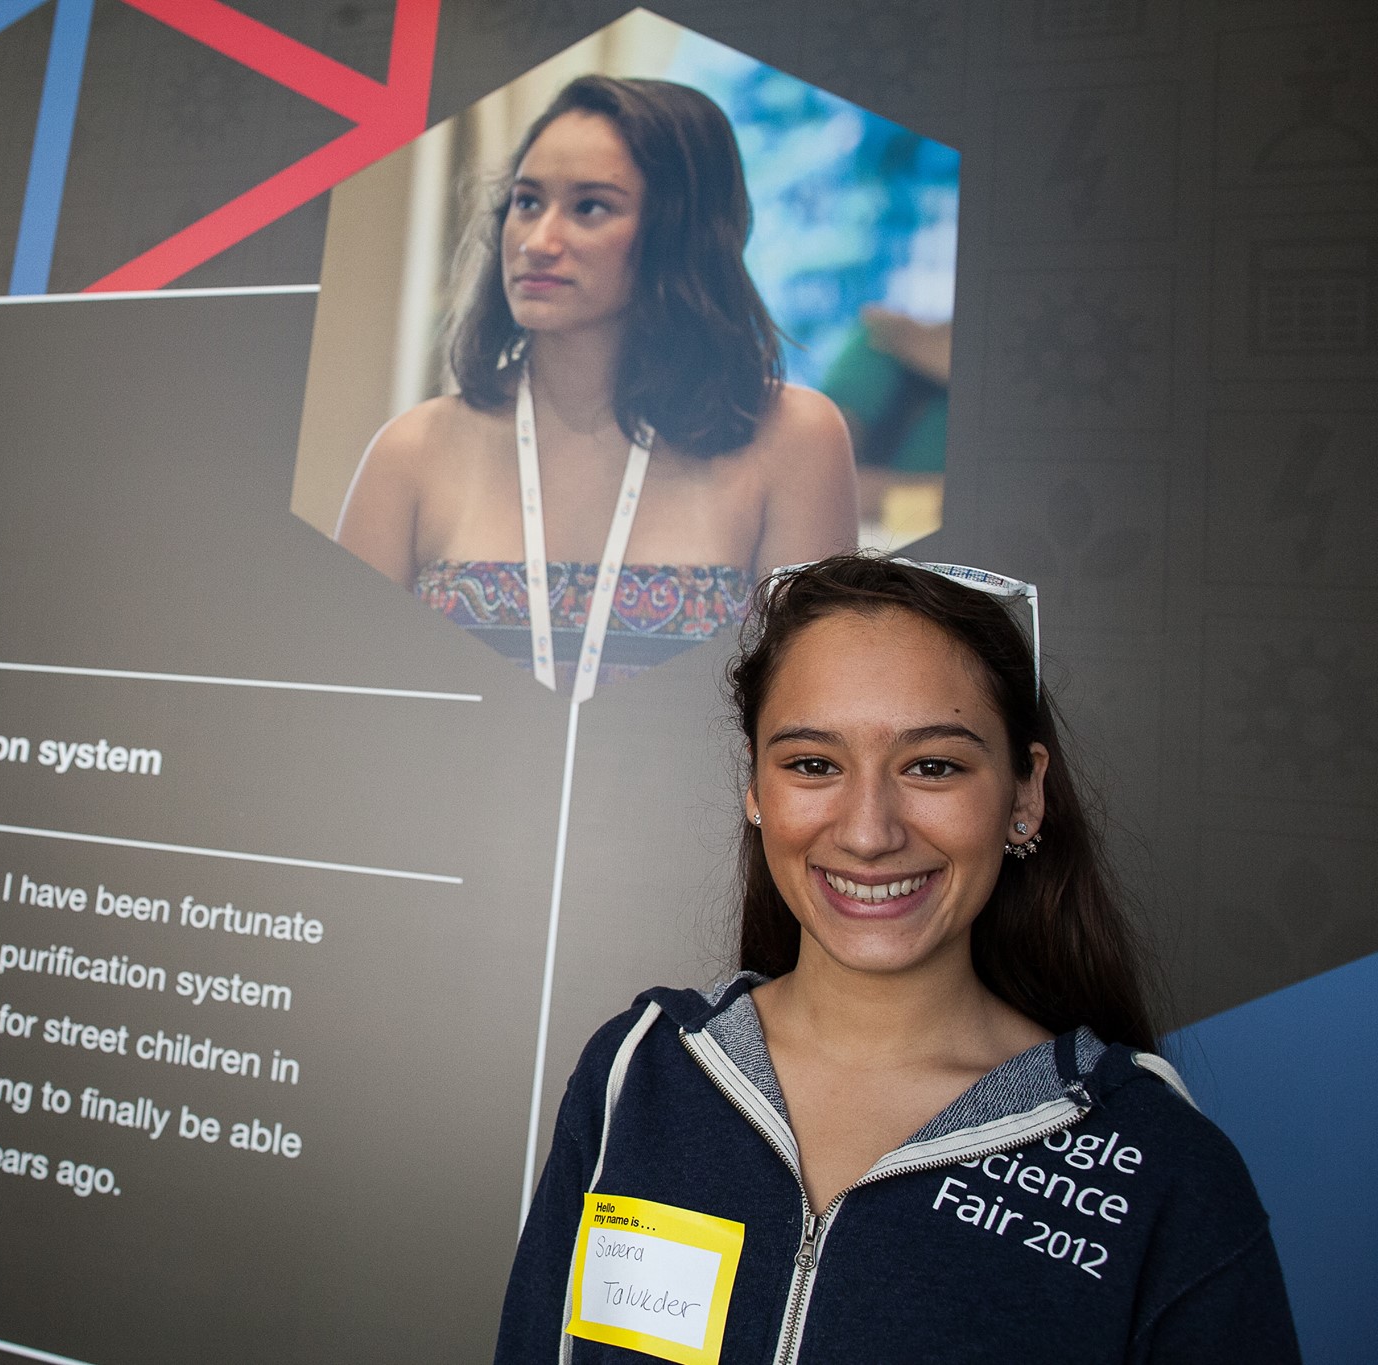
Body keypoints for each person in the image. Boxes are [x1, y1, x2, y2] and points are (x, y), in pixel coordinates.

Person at [495, 555, 1299, 1363]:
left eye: (933, 765)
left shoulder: (1164, 1172)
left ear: (1024, 794)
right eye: (813, 763)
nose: (869, 831)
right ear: (756, 785)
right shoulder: (636, 1077)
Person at [335, 76, 855, 696]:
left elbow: (811, 714)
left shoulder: (793, 439)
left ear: (680, 234)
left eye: (590, 208)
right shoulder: (410, 451)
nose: (538, 241)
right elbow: (337, 700)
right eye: (527, 202)